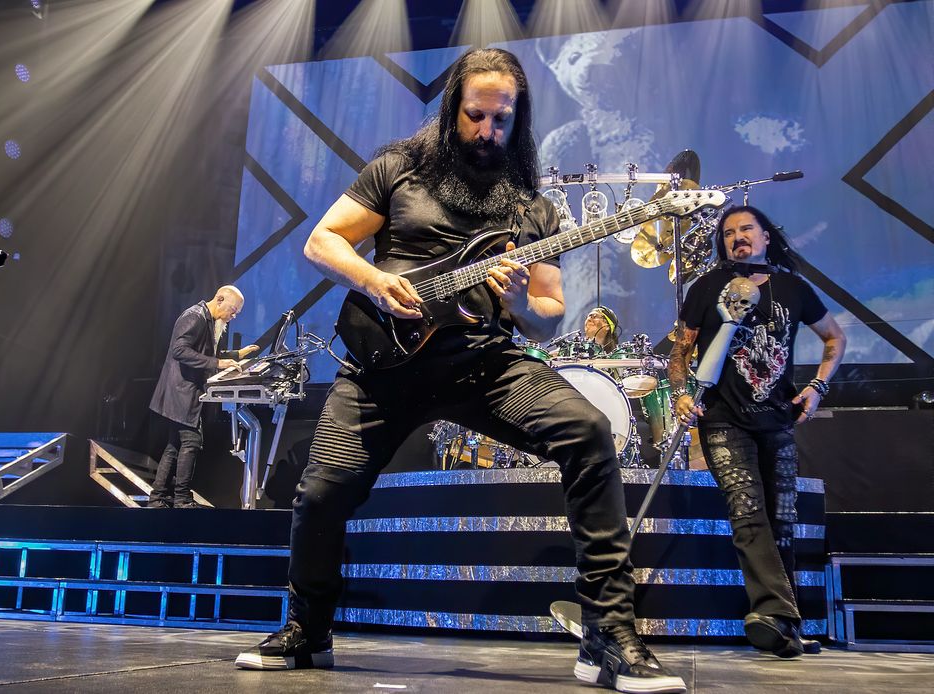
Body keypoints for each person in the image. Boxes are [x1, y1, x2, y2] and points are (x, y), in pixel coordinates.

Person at [235, 49, 686, 693]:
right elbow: (323, 240)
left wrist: (522, 300)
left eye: (501, 120)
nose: (487, 132)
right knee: (321, 494)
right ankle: (307, 632)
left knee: (586, 431)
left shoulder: (531, 205)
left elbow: (550, 311)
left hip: (483, 362)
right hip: (384, 366)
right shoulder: (400, 169)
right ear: (452, 110)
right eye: (476, 116)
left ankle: (608, 635)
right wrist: (375, 280)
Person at [670, 205, 845, 658]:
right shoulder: (706, 288)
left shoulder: (793, 288)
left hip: (778, 418)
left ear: (766, 236)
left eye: (747, 229)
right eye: (729, 233)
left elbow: (835, 337)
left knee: (780, 523)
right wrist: (681, 394)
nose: (738, 238)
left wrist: (818, 388)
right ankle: (775, 613)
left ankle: (783, 627)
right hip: (723, 419)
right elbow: (679, 355)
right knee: (747, 513)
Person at [147, 286, 258, 509]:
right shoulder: (194, 317)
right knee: (191, 441)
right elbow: (179, 350)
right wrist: (218, 363)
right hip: (180, 391)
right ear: (219, 299)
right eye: (233, 310)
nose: (233, 316)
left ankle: (158, 498)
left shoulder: (208, 320)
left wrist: (238, 355)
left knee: (174, 445)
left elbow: (205, 353)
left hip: (184, 392)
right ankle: (181, 499)